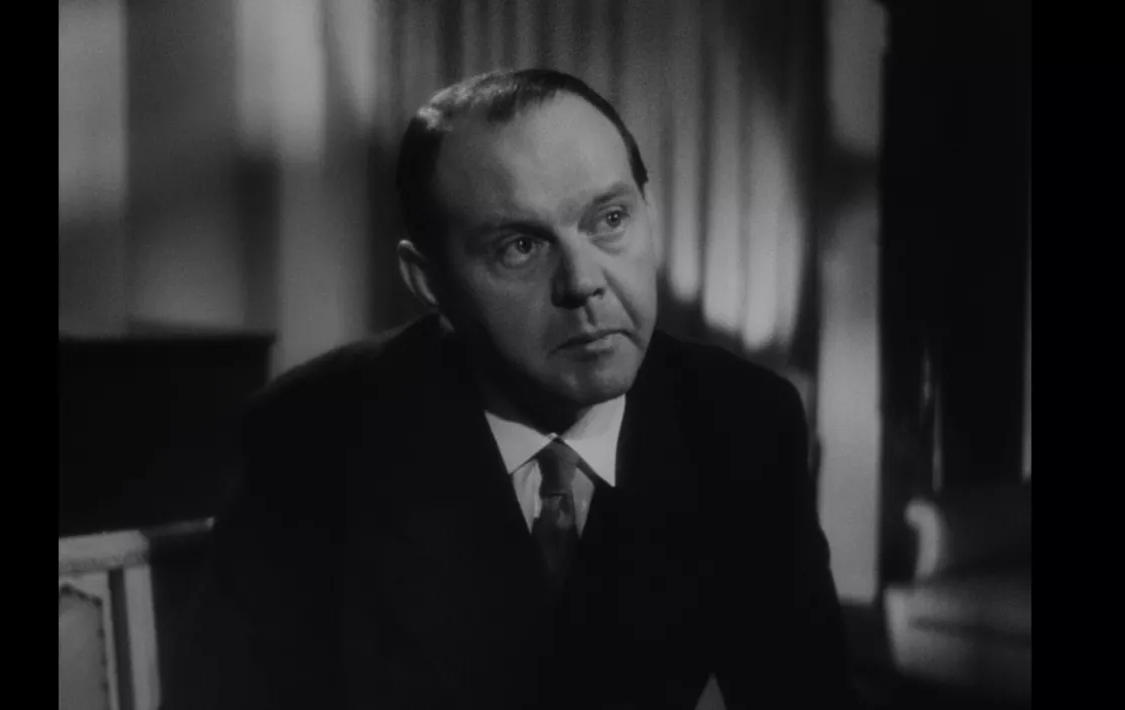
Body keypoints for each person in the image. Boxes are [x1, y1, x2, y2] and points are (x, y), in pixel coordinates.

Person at [165, 68, 853, 710]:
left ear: (648, 210)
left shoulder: (741, 422)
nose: (583, 282)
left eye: (610, 219)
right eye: (520, 246)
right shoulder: (312, 436)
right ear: (430, 282)